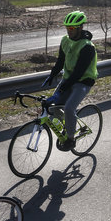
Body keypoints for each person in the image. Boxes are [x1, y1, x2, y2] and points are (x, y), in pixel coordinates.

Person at [42, 10, 98, 151]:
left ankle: (71, 139)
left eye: (72, 28)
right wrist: (52, 74)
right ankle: (68, 126)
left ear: (80, 27)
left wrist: (60, 90)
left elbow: (78, 73)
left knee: (68, 108)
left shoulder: (87, 47)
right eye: (67, 28)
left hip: (83, 81)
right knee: (53, 107)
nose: (69, 30)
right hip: (68, 79)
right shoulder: (65, 40)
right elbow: (61, 60)